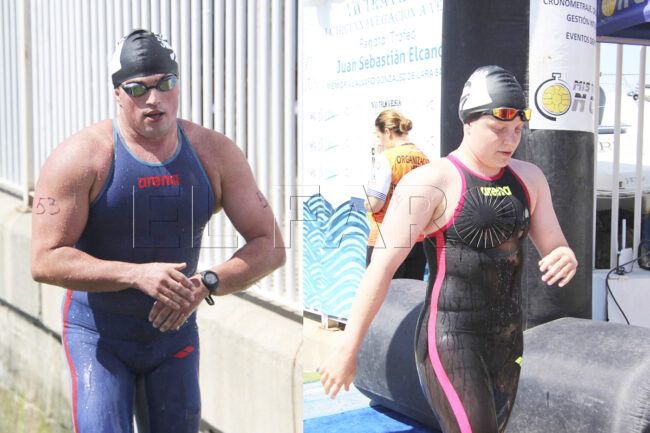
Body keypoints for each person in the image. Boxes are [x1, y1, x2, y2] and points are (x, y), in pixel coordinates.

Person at [30, 29, 285, 433]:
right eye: (137, 88)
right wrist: (135, 274)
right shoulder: (81, 159)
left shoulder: (214, 153)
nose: (154, 99)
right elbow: (44, 260)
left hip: (173, 340)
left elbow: (270, 245)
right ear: (117, 94)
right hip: (98, 338)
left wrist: (207, 283)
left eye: (165, 83)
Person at [319, 65, 578, 433]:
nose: (510, 140)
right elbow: (381, 268)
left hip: (507, 340)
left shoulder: (530, 178)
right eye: (498, 129)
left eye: (518, 130)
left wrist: (565, 255)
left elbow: (556, 245)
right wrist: (348, 348)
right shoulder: (430, 182)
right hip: (450, 339)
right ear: (467, 123)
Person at [365, 109, 429, 279]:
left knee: (381, 292)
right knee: (410, 292)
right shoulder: (424, 158)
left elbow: (374, 204)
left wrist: (366, 204)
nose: (379, 140)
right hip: (417, 240)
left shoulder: (387, 158)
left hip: (386, 238)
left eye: (379, 136)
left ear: (387, 132)